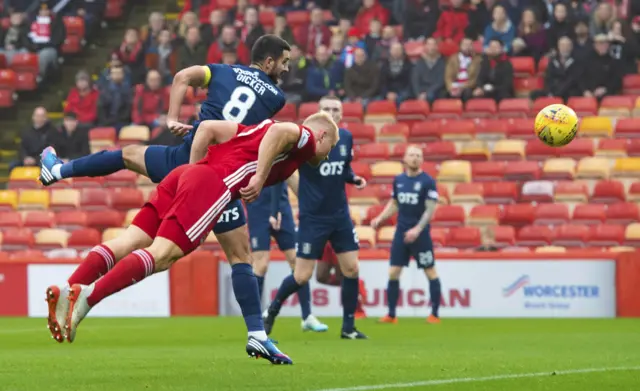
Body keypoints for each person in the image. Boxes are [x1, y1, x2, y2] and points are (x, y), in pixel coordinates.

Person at [40, 34, 291, 346]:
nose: (286, 69)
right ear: (269, 62)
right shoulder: (276, 98)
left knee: (127, 161)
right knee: (238, 256)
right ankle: (257, 334)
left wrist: (172, 118)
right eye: (284, 62)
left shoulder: (221, 71)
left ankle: (60, 177)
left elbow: (182, 76)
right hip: (218, 178)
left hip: (182, 161)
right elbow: (257, 137)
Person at [45, 114, 340, 365]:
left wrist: (192, 173)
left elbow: (207, 128)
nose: (327, 154)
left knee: (130, 240)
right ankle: (86, 297)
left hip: (185, 174)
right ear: (323, 134)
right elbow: (281, 131)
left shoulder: (255, 128)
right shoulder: (306, 138)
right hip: (212, 184)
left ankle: (69, 291)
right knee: (163, 254)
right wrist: (258, 178)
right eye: (331, 146)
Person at [263, 96, 369, 340]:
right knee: (301, 276)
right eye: (326, 109)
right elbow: (283, 170)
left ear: (341, 115)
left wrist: (354, 179)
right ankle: (271, 311)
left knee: (351, 268)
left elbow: (344, 170)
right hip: (313, 218)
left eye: (336, 109)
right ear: (318, 114)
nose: (331, 112)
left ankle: (348, 328)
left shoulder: (346, 138)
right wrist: (275, 208)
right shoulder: (303, 143)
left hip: (340, 215)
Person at [371, 145, 442, 324]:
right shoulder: (399, 180)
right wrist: (380, 218)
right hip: (401, 233)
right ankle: (391, 315)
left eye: (418, 155)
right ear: (404, 158)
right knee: (394, 271)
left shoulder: (428, 181)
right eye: (411, 155)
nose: (415, 158)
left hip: (421, 234)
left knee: (430, 271)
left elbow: (430, 210)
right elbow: (395, 203)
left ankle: (434, 314)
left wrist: (417, 230)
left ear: (422, 160)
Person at [315, 243, 368, 319]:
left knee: (343, 277)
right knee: (321, 277)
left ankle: (358, 310)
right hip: (324, 242)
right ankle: (357, 282)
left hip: (338, 240)